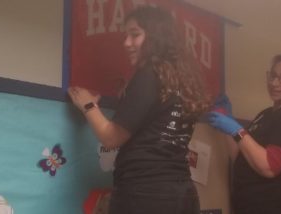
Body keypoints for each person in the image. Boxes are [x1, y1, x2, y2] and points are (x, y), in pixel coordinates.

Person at [68, 5, 211, 214]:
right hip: (182, 193)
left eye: (135, 35)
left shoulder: (148, 75)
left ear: (156, 36)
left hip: (146, 194)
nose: (126, 43)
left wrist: (88, 105)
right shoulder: (179, 78)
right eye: (125, 36)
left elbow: (111, 138)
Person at [208, 53, 281, 214]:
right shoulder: (265, 114)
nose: (274, 83)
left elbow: (269, 166)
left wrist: (235, 129)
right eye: (272, 75)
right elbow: (240, 155)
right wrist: (228, 122)